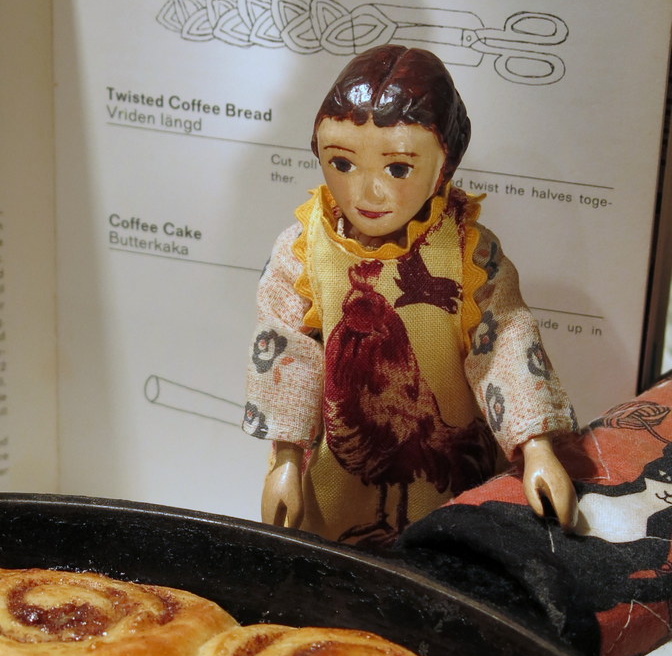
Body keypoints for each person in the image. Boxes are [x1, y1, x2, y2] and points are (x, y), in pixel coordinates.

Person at [243, 44, 577, 545]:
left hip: (445, 473)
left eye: (398, 168)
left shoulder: (466, 250)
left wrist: (536, 447)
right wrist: (286, 459)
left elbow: (504, 343)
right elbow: (287, 349)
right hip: (335, 471)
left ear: (444, 165)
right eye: (342, 162)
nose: (366, 193)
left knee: (449, 548)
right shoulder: (303, 248)